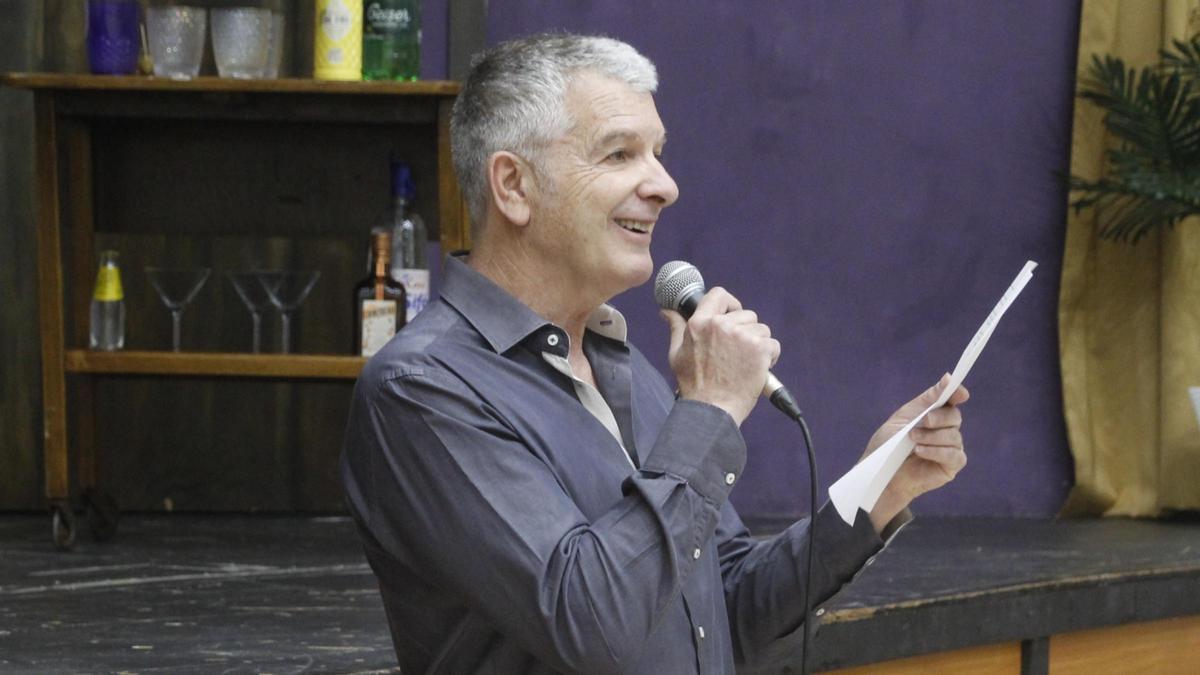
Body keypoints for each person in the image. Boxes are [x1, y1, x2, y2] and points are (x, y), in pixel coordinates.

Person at [339, 33, 969, 673]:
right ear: (514, 185)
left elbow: (723, 608)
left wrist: (878, 488)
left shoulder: (626, 366)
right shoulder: (422, 389)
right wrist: (712, 408)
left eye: (659, 154)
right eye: (619, 154)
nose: (664, 185)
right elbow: (590, 621)